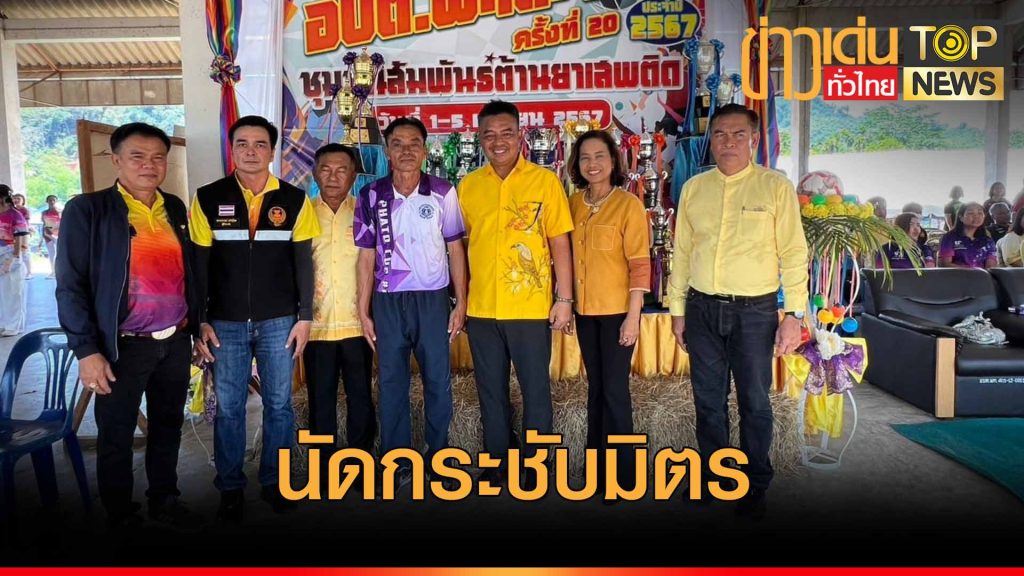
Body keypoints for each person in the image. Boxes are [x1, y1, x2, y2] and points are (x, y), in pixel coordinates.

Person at [55, 123, 201, 530]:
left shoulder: (175, 208)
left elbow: (190, 274)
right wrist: (86, 350)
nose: (149, 165)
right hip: (122, 346)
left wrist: (197, 326)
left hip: (174, 340)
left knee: (168, 425)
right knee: (116, 433)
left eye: (157, 157)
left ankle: (164, 499)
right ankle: (119, 513)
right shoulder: (88, 211)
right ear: (116, 160)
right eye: (137, 156)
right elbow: (70, 286)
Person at [667, 104, 809, 521]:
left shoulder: (774, 187)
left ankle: (754, 485)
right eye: (720, 134)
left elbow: (794, 253)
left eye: (738, 134)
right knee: (708, 401)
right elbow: (682, 253)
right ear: (710, 140)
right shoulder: (695, 188)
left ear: (754, 140)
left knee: (754, 401)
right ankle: (716, 478)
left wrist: (794, 315)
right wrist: (677, 310)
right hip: (701, 308)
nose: (728, 142)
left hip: (755, 313)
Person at [190, 115, 320, 520]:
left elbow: (303, 263)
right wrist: (199, 320)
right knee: (229, 407)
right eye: (242, 143)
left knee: (279, 404)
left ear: (272, 150)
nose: (251, 151)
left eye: (260, 144)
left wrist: (305, 316)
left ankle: (274, 482)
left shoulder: (295, 199)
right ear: (232, 149)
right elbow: (198, 265)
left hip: (279, 320)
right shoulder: (207, 198)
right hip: (223, 322)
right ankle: (230, 486)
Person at [458, 100, 574, 487]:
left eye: (506, 133)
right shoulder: (468, 186)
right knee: (490, 392)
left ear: (520, 135)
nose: (498, 141)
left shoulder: (545, 181)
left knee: (535, 391)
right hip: (482, 309)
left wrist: (564, 299)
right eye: (489, 134)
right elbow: (461, 247)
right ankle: (498, 464)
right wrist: (461, 301)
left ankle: (536, 466)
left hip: (530, 308)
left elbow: (559, 243)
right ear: (480, 139)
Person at [354, 117, 467, 490]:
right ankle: (398, 463)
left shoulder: (443, 192)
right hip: (387, 301)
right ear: (387, 150)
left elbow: (455, 249)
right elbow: (366, 257)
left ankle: (439, 459)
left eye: (413, 143)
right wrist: (363, 310)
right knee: (391, 382)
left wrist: (460, 302)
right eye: (398, 144)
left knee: (437, 380)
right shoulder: (370, 195)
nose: (406, 150)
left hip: (432, 300)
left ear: (424, 149)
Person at [566, 130, 650, 500]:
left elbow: (640, 266)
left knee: (615, 391)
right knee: (596, 390)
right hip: (586, 314)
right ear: (577, 163)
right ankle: (596, 470)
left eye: (600, 156)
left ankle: (623, 476)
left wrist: (633, 317)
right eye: (585, 157)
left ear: (614, 160)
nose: (593, 164)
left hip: (618, 314)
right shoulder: (573, 204)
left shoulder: (628, 205)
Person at [305, 144, 376, 461]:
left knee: (360, 397)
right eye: (326, 169)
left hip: (357, 325)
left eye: (342, 170)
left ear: (354, 176)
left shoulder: (365, 214)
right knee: (319, 400)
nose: (333, 177)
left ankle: (360, 464)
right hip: (316, 327)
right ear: (314, 173)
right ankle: (322, 467)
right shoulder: (302, 215)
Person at [0, 185, 28, 336]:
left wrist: (14, 257)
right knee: (2, 293)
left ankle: (13, 325)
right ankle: (3, 323)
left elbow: (20, 237)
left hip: (10, 254)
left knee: (13, 291)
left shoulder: (15, 215)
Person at [939, 202, 997, 269]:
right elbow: (946, 264)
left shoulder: (988, 241)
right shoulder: (949, 237)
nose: (976, 216)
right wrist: (971, 271)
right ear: (961, 217)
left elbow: (990, 267)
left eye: (980, 213)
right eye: (970, 213)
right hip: (956, 275)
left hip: (981, 275)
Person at [11, 193, 32, 279]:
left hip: (23, 233)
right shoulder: (11, 210)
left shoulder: (24, 210)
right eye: (14, 198)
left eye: (18, 198)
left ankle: (29, 272)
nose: (16, 200)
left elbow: (27, 222)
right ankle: (20, 271)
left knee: (24, 252)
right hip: (13, 233)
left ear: (23, 201)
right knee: (16, 252)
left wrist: (27, 231)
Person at [42, 195, 61, 276]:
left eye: (53, 200)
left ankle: (59, 270)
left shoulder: (60, 211)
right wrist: (44, 234)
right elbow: (44, 224)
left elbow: (62, 222)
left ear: (56, 201)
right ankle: (53, 271)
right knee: (51, 254)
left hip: (58, 234)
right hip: (48, 234)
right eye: (50, 200)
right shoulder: (44, 212)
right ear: (47, 201)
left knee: (59, 253)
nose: (52, 202)